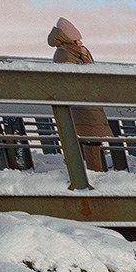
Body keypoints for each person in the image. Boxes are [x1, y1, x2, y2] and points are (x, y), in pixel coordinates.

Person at [46, 17, 110, 173]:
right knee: (89, 138)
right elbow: (68, 81)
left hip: (89, 102)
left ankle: (90, 172)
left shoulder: (79, 51)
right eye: (76, 37)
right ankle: (90, 173)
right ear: (67, 37)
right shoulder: (64, 54)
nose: (80, 40)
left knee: (91, 138)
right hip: (80, 104)